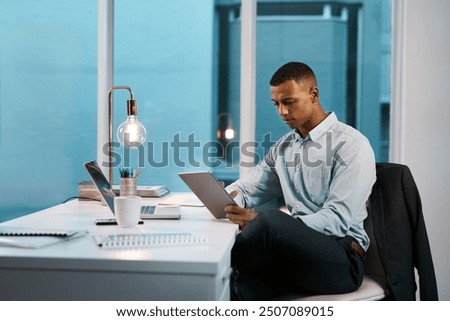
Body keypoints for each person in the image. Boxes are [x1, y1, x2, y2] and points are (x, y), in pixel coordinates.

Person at [224, 62, 376, 300]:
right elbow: (247, 189)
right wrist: (227, 198)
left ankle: (213, 264)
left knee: (269, 221)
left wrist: (273, 226)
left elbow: (337, 221)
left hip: (341, 259)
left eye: (289, 102)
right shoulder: (283, 147)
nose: (281, 112)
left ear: (313, 94)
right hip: (292, 254)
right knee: (240, 287)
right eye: (276, 104)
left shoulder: (352, 145)